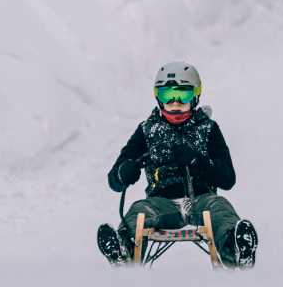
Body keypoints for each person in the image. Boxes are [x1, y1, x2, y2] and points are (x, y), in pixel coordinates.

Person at [96, 62, 258, 267]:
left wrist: (198, 160)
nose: (174, 104)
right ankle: (123, 250)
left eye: (182, 96)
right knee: (139, 210)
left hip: (202, 200)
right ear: (158, 98)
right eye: (167, 96)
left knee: (220, 207)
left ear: (196, 96)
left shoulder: (207, 129)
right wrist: (124, 172)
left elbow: (228, 179)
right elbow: (114, 181)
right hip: (161, 203)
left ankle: (234, 248)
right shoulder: (148, 130)